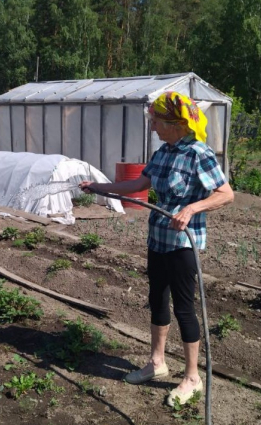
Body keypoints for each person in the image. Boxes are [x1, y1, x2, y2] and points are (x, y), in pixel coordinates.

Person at [80, 91, 234, 406]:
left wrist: (191, 209)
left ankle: (192, 377)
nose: (152, 127)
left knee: (184, 308)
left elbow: (225, 194)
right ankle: (157, 362)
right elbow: (138, 185)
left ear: (174, 123)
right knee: (157, 300)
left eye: (155, 121)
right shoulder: (163, 152)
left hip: (182, 243)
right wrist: (100, 187)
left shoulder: (198, 154)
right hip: (158, 239)